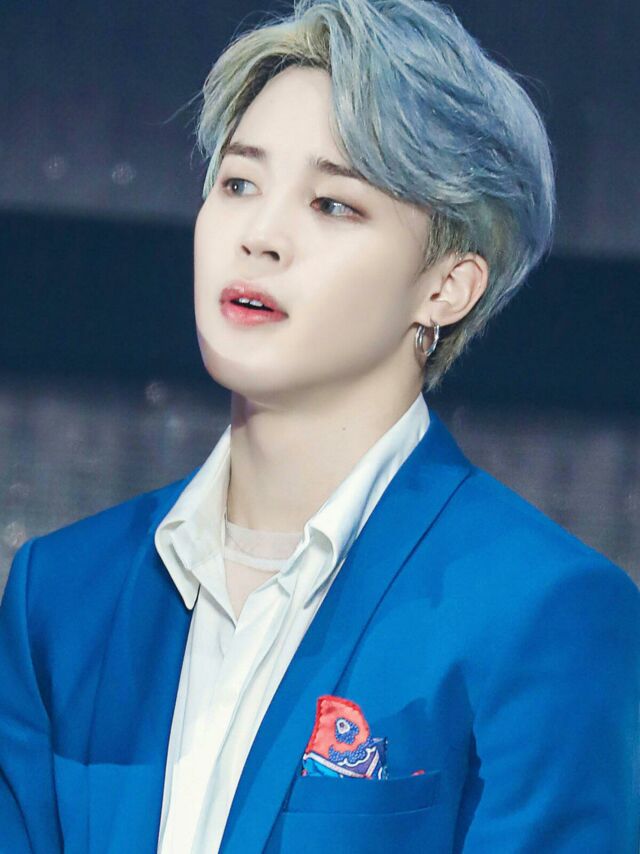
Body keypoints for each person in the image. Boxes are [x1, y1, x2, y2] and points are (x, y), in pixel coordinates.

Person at [1, 0, 638, 851]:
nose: (260, 236)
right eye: (239, 183)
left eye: (333, 204)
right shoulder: (63, 593)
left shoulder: (541, 613)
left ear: (446, 287)